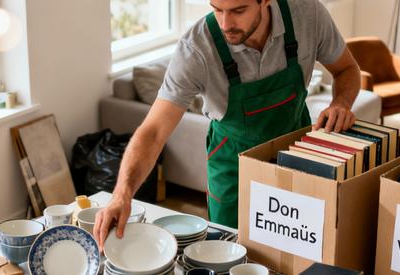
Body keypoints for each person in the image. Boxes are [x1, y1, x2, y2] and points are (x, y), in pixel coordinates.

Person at [94, 0, 361, 250]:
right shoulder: (197, 48)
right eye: (217, 9)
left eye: (238, 10)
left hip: (297, 157)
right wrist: (122, 194)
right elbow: (153, 132)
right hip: (232, 167)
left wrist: (341, 103)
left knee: (300, 248)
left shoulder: (308, 14)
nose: (225, 24)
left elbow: (347, 69)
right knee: (232, 251)